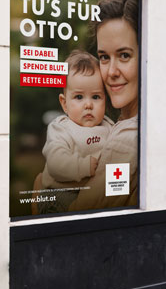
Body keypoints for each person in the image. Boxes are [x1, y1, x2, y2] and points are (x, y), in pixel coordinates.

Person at [68, 0, 140, 212]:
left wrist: (39, 187)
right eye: (104, 58)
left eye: (124, 55)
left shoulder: (125, 139)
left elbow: (78, 216)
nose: (111, 72)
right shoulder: (131, 124)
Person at [34, 50, 114, 214]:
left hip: (93, 193)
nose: (88, 105)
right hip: (60, 194)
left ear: (105, 99)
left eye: (96, 97)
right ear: (64, 103)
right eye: (79, 97)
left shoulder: (109, 127)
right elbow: (56, 162)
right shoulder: (61, 128)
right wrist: (82, 166)